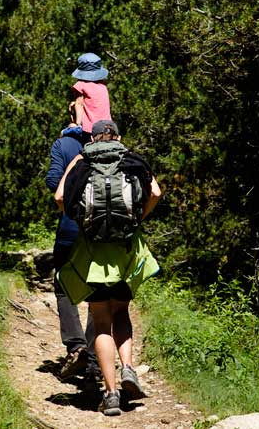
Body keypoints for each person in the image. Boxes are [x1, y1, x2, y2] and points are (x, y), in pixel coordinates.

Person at [54, 120, 161, 416]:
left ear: (93, 138)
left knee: (101, 321)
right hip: (126, 251)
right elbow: (155, 193)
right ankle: (128, 368)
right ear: (118, 136)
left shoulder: (83, 162)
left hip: (93, 254)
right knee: (121, 312)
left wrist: (77, 217)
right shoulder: (132, 160)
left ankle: (111, 394)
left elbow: (60, 198)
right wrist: (139, 218)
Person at [46, 110, 100, 384]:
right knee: (98, 289)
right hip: (102, 232)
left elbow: (52, 181)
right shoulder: (109, 142)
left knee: (64, 284)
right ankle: (94, 357)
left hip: (70, 225)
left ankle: (76, 346)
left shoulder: (65, 144)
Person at [70, 53, 111, 143]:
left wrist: (77, 125)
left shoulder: (80, 85)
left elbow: (79, 104)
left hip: (90, 129)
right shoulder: (103, 85)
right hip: (107, 126)